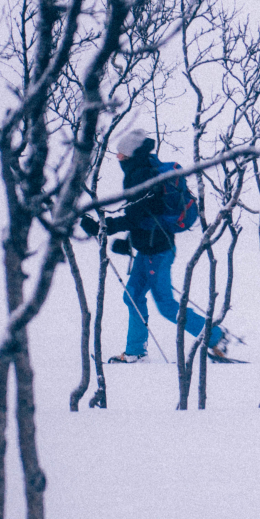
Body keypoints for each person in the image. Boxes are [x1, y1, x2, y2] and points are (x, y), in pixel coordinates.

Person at [80, 128, 228, 365]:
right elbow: (146, 214)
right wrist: (129, 242)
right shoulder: (145, 167)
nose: (117, 158)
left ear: (131, 155)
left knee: (167, 306)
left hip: (157, 251)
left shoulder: (141, 176)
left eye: (121, 154)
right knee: (133, 296)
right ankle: (135, 351)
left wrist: (103, 227)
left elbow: (136, 216)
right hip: (148, 248)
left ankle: (215, 338)